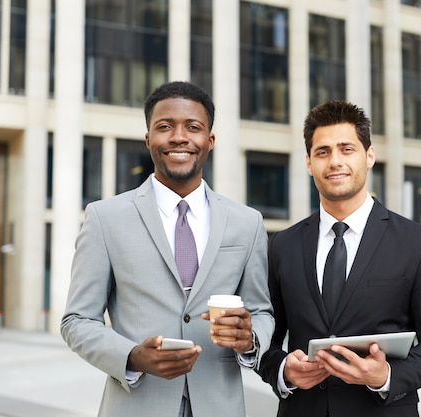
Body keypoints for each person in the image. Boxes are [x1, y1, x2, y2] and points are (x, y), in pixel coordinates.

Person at [61, 81, 274, 417]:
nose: (179, 137)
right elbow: (77, 320)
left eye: (193, 127)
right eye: (164, 127)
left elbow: (261, 311)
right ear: (148, 139)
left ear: (210, 141)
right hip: (136, 405)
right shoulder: (105, 218)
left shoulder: (247, 222)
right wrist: (131, 356)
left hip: (221, 405)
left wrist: (250, 340)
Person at [257, 100, 421, 417]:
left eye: (346, 149)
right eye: (323, 152)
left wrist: (388, 376)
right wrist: (283, 370)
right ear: (309, 163)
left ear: (369, 156)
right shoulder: (282, 245)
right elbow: (265, 339)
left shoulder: (416, 242)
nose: (335, 161)